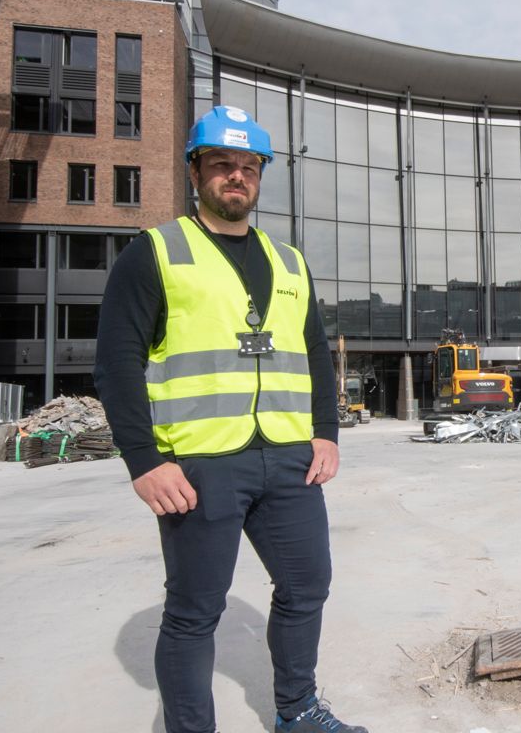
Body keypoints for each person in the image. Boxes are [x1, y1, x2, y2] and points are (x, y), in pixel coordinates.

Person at [94, 106, 367, 733]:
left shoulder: (290, 262)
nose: (236, 177)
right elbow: (116, 362)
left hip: (288, 459)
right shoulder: (156, 252)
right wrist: (144, 460)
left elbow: (316, 353)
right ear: (196, 171)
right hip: (199, 462)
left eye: (249, 166)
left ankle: (296, 711)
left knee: (307, 588)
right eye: (222, 164)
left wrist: (325, 432)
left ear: (261, 176)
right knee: (195, 610)